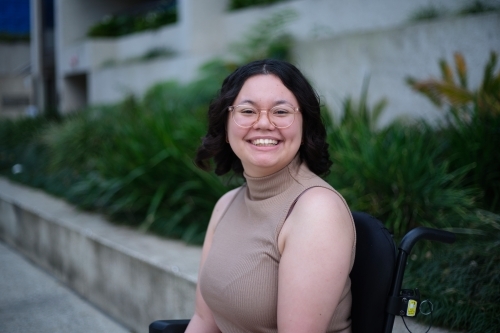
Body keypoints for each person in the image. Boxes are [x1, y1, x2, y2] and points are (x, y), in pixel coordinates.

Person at [186, 59, 356, 333]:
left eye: (280, 111)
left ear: (304, 127)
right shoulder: (226, 204)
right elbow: (204, 320)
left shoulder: (316, 211)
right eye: (247, 111)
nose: (264, 123)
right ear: (227, 127)